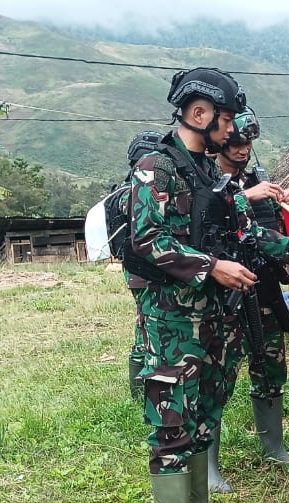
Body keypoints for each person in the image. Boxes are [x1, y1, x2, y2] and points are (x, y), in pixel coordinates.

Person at [124, 67, 289, 503]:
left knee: (201, 415)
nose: (233, 128)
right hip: (172, 322)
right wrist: (212, 267)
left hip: (213, 319)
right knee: (171, 421)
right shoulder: (157, 167)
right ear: (200, 114)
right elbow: (148, 240)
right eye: (228, 117)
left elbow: (249, 233)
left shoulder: (211, 175)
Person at [206, 108, 289, 494]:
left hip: (263, 291)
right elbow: (205, 221)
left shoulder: (260, 181)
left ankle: (274, 447)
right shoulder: (206, 181)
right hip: (223, 296)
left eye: (248, 143)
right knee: (217, 377)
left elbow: (279, 231)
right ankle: (210, 465)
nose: (243, 150)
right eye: (235, 143)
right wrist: (244, 197)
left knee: (270, 368)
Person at [124, 130, 162, 400]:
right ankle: (141, 393)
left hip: (137, 271)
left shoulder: (126, 190)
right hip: (147, 270)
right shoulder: (140, 191)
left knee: (144, 323)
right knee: (148, 327)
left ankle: (139, 392)